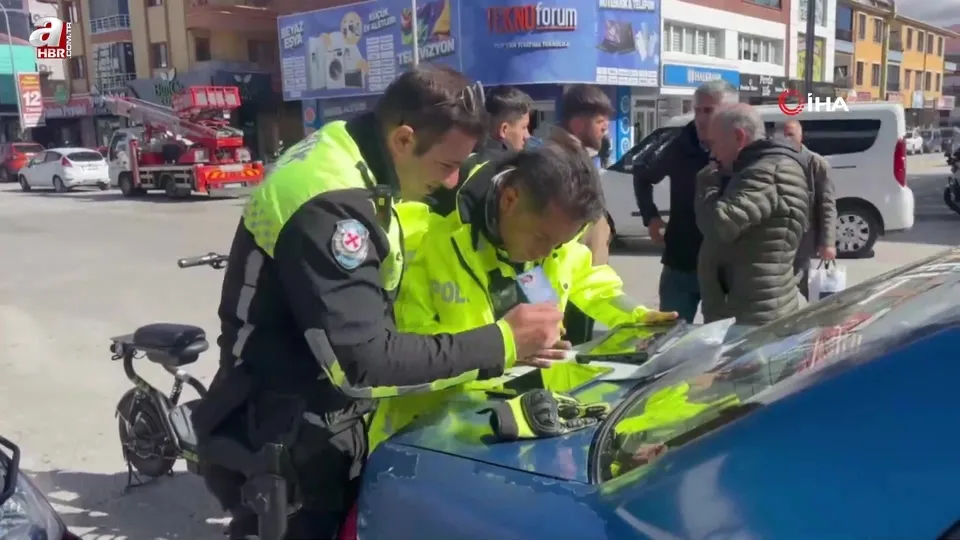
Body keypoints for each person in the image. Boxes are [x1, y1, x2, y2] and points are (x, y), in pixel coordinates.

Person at [198, 65, 566, 539]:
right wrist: (502, 342)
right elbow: (363, 363)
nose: (452, 181)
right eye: (446, 165)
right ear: (404, 139)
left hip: (312, 413)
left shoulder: (356, 147)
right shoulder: (331, 206)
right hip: (283, 429)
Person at [373, 140, 677, 450]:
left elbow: (592, 282)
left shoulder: (553, 234)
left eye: (559, 243)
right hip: (435, 439)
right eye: (542, 237)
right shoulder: (423, 239)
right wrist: (499, 348)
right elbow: (402, 355)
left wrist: (638, 315)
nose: (547, 252)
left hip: (531, 425)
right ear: (509, 199)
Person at [695, 104, 810, 326]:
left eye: (714, 144)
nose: (712, 154)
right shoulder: (757, 169)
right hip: (749, 310)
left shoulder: (766, 173)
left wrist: (707, 182)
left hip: (756, 315)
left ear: (739, 137)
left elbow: (719, 225)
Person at [633, 80, 738, 323]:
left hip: (726, 268)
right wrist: (651, 217)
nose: (701, 118)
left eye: (709, 111)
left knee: (724, 339)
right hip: (681, 263)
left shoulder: (745, 149)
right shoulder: (680, 146)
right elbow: (643, 176)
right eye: (697, 110)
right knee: (670, 336)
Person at [549, 84, 615, 344]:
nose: (606, 127)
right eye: (599, 121)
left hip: (584, 280)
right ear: (577, 124)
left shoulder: (579, 157)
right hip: (569, 285)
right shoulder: (559, 162)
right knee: (570, 353)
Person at [780, 119, 837, 300]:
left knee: (801, 285)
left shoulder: (816, 163)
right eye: (784, 135)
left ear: (801, 136)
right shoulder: (774, 162)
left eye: (791, 135)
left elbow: (827, 204)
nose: (787, 139)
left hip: (804, 238)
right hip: (779, 237)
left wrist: (828, 242)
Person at [478, 85, 532, 157]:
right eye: (524, 127)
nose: (527, 136)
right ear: (504, 129)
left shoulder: (467, 159)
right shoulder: (519, 163)